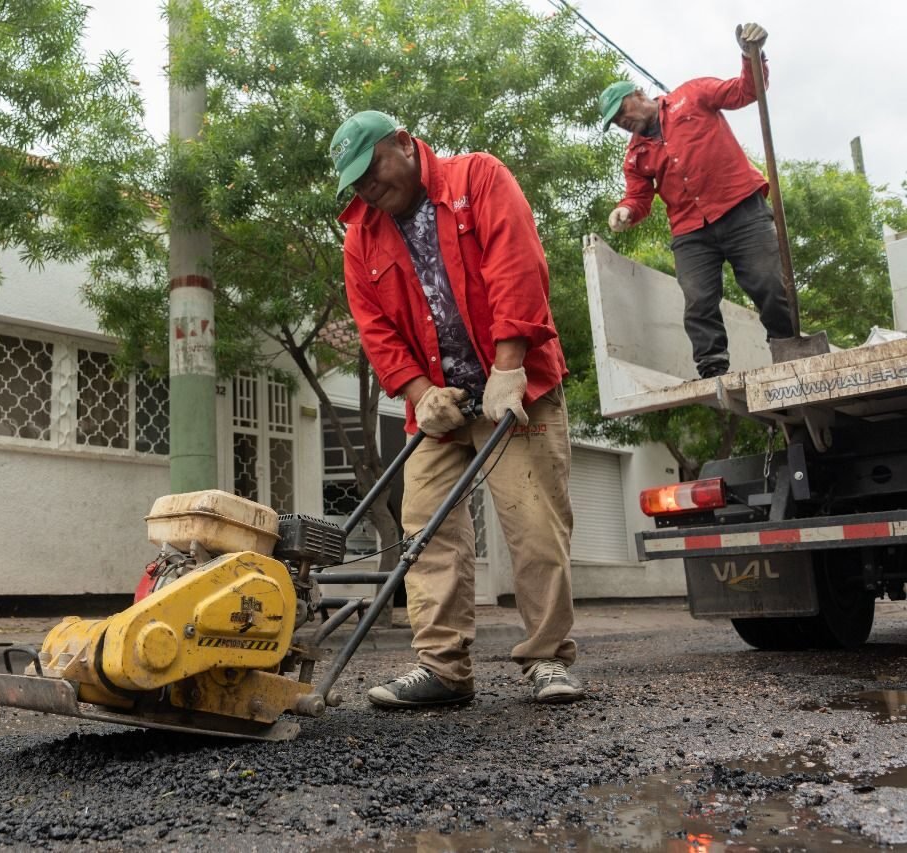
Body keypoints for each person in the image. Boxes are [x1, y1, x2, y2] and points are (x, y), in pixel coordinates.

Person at [329, 110, 583, 707]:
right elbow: (376, 329)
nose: (368, 189)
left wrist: (508, 367)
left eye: (373, 172)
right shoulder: (362, 237)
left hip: (514, 389)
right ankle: (443, 667)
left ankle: (548, 659)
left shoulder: (479, 179)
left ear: (404, 143)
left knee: (533, 524)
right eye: (356, 182)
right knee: (424, 528)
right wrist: (420, 395)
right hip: (439, 406)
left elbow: (518, 269)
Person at [598, 22, 793, 379]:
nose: (622, 122)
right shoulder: (636, 155)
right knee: (698, 300)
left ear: (639, 95)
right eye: (616, 121)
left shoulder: (693, 95)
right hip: (692, 231)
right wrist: (625, 210)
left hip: (741, 211)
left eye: (622, 111)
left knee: (768, 284)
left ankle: (788, 349)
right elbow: (638, 197)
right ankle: (712, 367)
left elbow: (746, 90)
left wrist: (752, 54)